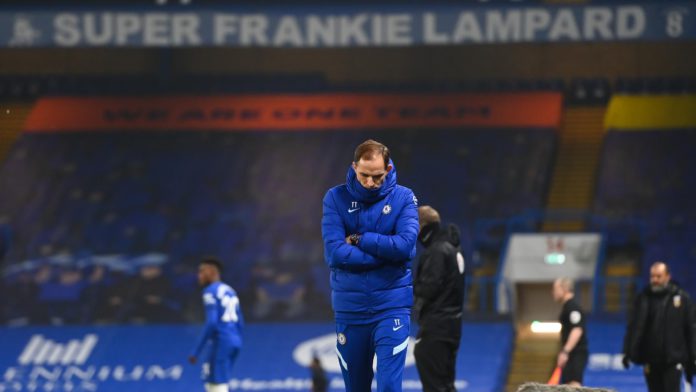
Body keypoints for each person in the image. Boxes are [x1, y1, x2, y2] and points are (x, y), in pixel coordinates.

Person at [321, 139, 419, 392]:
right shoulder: (335, 198)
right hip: (350, 311)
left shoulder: (404, 197)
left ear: (387, 170)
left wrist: (359, 239)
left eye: (377, 176)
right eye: (364, 175)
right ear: (354, 167)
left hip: (391, 307)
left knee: (388, 386)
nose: (370, 182)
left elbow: (406, 246)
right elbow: (335, 254)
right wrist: (386, 254)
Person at [413, 205, 466, 392]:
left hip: (437, 325)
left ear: (421, 226)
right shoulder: (453, 248)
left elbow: (429, 288)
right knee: (445, 384)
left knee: (434, 383)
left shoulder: (437, 251)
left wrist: (410, 287)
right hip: (452, 326)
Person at [622, 261, 696, 392]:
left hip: (673, 359)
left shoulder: (682, 298)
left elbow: (691, 329)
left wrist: (693, 356)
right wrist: (628, 350)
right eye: (652, 276)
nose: (655, 280)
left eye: (658, 276)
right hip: (650, 359)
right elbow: (634, 326)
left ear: (668, 276)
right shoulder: (644, 298)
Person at [188, 257, 244, 392]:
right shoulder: (230, 290)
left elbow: (211, 322)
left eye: (202, 271)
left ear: (212, 272)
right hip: (234, 341)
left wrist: (196, 350)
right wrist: (236, 339)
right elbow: (240, 321)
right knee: (219, 380)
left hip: (221, 341)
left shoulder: (210, 291)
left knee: (215, 382)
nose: (199, 275)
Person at [552, 277, 588, 386]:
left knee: (574, 385)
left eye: (555, 289)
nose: (553, 293)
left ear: (564, 289)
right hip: (571, 354)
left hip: (575, 353)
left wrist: (565, 351)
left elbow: (577, 329)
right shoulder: (567, 307)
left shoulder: (572, 307)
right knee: (568, 385)